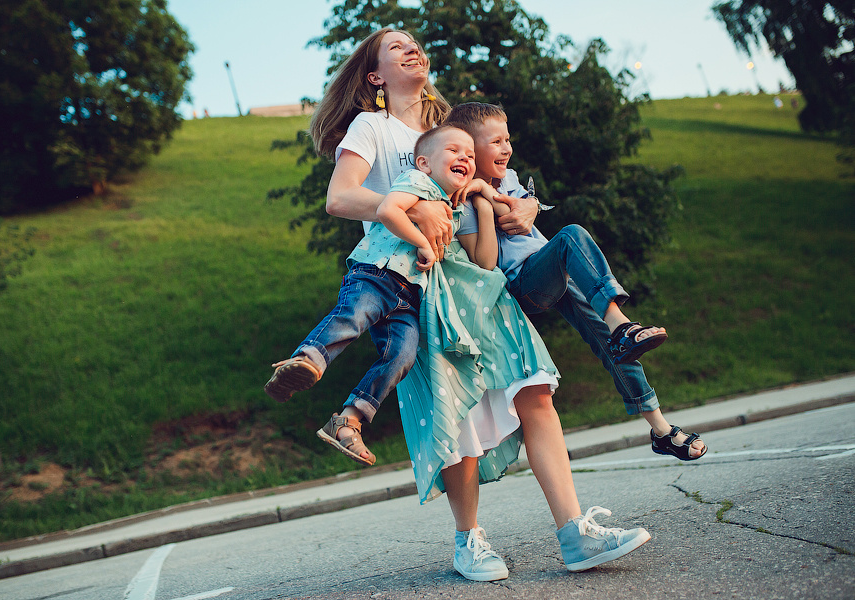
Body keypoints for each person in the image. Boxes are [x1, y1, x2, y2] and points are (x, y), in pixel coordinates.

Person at [302, 28, 652, 581]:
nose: (410, 48)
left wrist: (521, 205)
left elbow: (495, 185)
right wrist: (413, 210)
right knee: (455, 414)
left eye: (414, 41)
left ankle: (575, 532)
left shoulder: (452, 130)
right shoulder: (374, 126)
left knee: (533, 391)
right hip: (415, 286)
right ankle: (469, 540)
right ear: (375, 77)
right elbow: (340, 197)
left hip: (479, 280)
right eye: (394, 48)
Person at [445, 102, 707, 461]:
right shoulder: (462, 192)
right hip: (523, 284)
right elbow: (494, 246)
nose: (506, 148)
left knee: (610, 342)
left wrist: (512, 198)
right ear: (471, 149)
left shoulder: (509, 178)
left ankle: (661, 429)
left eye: (508, 139)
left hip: (551, 270)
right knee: (570, 235)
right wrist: (487, 198)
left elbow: (522, 215)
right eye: (496, 142)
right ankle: (622, 327)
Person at [263, 125, 499, 466]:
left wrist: (489, 200)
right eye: (454, 150)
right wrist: (422, 243)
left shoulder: (454, 210)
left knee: (401, 356)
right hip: (376, 273)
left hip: (408, 298)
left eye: (471, 155)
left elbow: (482, 261)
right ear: (425, 163)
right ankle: (305, 361)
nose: (466, 157)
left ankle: (348, 420)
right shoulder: (416, 183)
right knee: (353, 316)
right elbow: (389, 210)